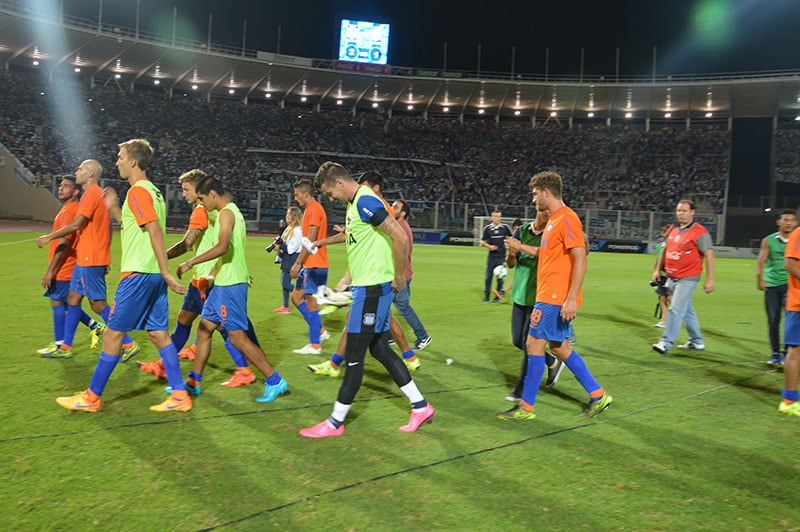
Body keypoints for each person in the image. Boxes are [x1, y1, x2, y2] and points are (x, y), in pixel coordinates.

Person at [300, 162, 434, 438]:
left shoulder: (365, 201)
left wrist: (398, 277)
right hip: (367, 287)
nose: (329, 198)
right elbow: (352, 235)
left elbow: (398, 236)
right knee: (380, 350)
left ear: (338, 182)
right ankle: (420, 406)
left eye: (328, 192)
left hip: (373, 287)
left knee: (354, 354)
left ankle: (335, 422)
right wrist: (321, 243)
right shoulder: (355, 205)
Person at [56, 138, 191, 413]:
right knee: (158, 334)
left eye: (120, 157)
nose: (117, 161)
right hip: (151, 274)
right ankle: (179, 395)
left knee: (113, 334)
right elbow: (137, 226)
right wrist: (115, 208)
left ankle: (92, 397)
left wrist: (166, 270)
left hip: (139, 275)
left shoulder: (139, 191)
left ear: (132, 161)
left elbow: (152, 228)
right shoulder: (153, 192)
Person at [498, 171, 612, 421]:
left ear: (546, 193)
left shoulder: (567, 219)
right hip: (548, 293)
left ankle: (526, 408)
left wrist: (571, 298)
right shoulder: (554, 220)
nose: (533, 199)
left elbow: (580, 257)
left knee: (532, 344)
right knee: (559, 348)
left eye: (535, 194)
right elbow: (547, 254)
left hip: (554, 296)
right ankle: (599, 395)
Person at [136, 169, 255, 388]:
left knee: (218, 327)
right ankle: (163, 366)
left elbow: (187, 243)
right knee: (184, 321)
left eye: (186, 189)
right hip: (200, 279)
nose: (184, 194)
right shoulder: (212, 210)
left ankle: (244, 369)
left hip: (207, 279)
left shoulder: (201, 210)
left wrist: (160, 256)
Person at [176, 176, 288, 403]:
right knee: (204, 329)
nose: (201, 203)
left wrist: (191, 262)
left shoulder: (226, 213)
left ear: (213, 194)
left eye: (202, 198)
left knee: (237, 337)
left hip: (230, 285)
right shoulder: (231, 212)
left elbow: (222, 246)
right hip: (223, 283)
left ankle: (275, 380)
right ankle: (194, 382)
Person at [36, 159, 140, 360]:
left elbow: (76, 225)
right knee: (73, 298)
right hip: (87, 258)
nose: (77, 171)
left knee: (98, 304)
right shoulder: (95, 195)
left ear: (91, 174)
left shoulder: (91, 194)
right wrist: (106, 255)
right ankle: (65, 347)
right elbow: (107, 226)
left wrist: (49, 236)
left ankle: (128, 342)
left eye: (81, 169)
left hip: (90, 258)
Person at [37, 176, 101, 357]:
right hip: (66, 265)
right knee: (66, 302)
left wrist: (51, 269)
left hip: (65, 266)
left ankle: (61, 345)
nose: (60, 189)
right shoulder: (67, 209)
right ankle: (94, 327)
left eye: (66, 186)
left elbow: (64, 241)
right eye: (61, 186)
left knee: (60, 302)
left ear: (75, 192)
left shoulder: (71, 210)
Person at [503, 209, 563, 402]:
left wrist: (519, 247)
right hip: (520, 294)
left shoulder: (550, 235)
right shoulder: (521, 231)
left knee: (528, 342)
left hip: (540, 297)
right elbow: (511, 264)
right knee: (517, 341)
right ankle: (552, 361)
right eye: (544, 212)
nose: (547, 216)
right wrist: (512, 253)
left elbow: (545, 256)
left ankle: (521, 389)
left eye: (550, 214)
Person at [652, 199, 715, 355]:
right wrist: (657, 270)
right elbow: (665, 250)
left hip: (688, 277)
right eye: (679, 211)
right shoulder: (673, 229)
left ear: (692, 212)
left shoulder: (701, 232)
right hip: (672, 276)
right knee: (686, 310)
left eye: (684, 211)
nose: (681, 214)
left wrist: (710, 278)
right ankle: (697, 341)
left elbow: (709, 254)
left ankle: (666, 342)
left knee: (676, 309)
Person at [290, 178, 331, 355]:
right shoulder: (309, 210)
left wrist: (297, 263)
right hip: (311, 263)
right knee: (296, 297)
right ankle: (320, 331)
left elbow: (310, 241)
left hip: (315, 264)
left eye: (297, 194)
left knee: (312, 303)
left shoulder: (314, 210)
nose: (296, 198)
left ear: (306, 194)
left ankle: (315, 345)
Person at [757, 210, 798, 366]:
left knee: (790, 320)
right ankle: (775, 353)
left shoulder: (798, 240)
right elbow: (761, 261)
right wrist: (759, 279)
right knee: (773, 320)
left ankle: (788, 352)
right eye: (786, 220)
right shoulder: (769, 240)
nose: (789, 223)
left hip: (791, 286)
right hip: (772, 285)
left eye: (792, 220)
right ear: (779, 222)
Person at [391, 199, 432, 351]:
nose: (391, 208)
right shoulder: (399, 227)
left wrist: (398, 276)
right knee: (385, 305)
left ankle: (423, 336)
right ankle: (389, 335)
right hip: (400, 274)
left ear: (402, 213)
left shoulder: (401, 229)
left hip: (401, 275)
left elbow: (402, 253)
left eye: (395, 207)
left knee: (403, 307)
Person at [779, 224, 800, 418]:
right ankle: (789, 400)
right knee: (795, 350)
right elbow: (789, 264)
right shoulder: (799, 233)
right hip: (799, 304)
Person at [273, 206, 303, 314]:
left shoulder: (297, 230)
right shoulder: (290, 227)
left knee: (285, 282)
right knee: (284, 281)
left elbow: (291, 249)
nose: (286, 216)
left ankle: (302, 295)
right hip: (288, 258)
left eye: (289, 214)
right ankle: (286, 307)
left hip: (293, 258)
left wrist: (280, 247)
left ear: (294, 216)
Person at [479, 211, 513, 302]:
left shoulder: (505, 228)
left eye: (498, 216)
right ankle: (486, 296)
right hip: (491, 257)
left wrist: (508, 244)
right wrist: (489, 247)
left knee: (500, 277)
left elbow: (511, 238)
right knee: (488, 277)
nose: (497, 218)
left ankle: (497, 296)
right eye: (495, 216)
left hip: (501, 257)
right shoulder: (488, 228)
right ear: (492, 217)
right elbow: (482, 241)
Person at [652, 225, 672, 328]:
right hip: (662, 275)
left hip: (669, 275)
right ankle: (664, 321)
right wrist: (655, 272)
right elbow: (659, 260)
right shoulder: (661, 246)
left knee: (669, 298)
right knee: (662, 298)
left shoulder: (671, 245)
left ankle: (677, 317)